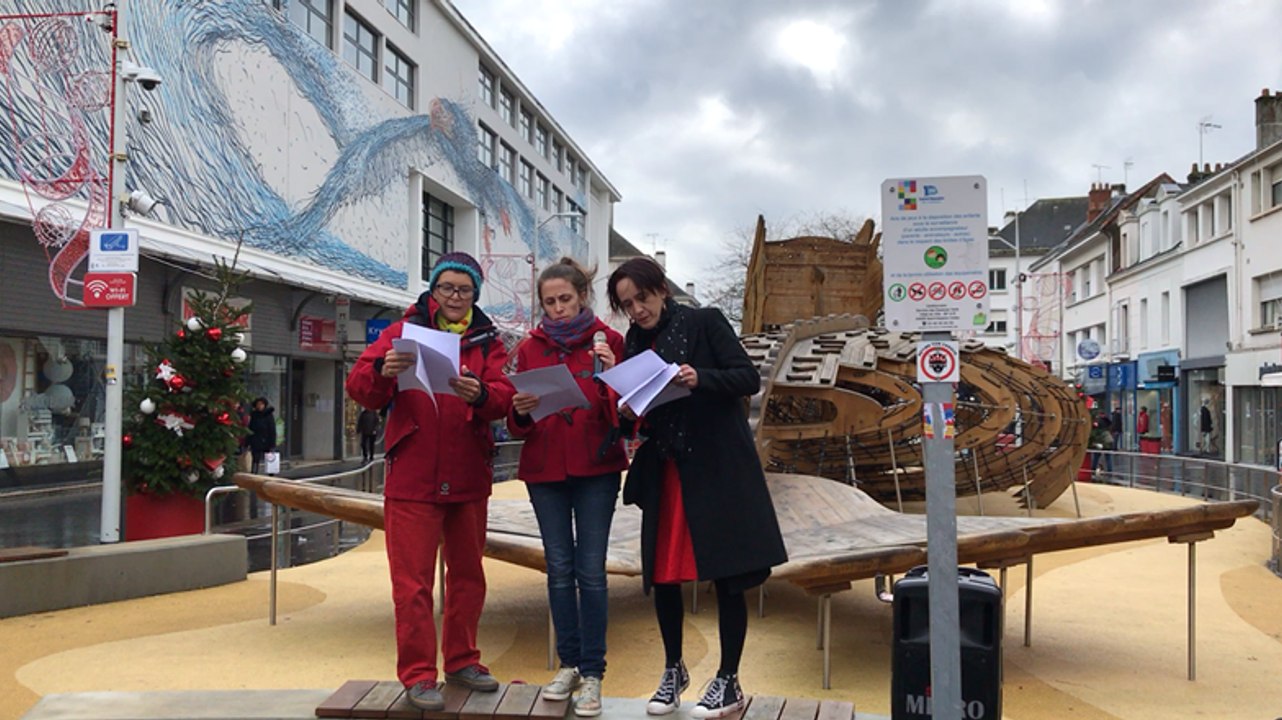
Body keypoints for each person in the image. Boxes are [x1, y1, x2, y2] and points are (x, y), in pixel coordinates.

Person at [606, 257, 787, 719]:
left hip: (718, 467)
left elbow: (747, 377)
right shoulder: (635, 340)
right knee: (664, 574)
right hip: (667, 466)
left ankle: (728, 679)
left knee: (729, 574)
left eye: (641, 299)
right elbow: (644, 401)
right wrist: (629, 411)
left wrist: (698, 377)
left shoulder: (705, 321)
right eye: (627, 305)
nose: (637, 311)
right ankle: (673, 669)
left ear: (661, 289)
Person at [345, 252, 515, 711]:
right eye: (447, 288)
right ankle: (419, 675)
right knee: (412, 584)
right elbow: (359, 385)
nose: (455, 297)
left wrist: (482, 394)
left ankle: (462, 659)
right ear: (433, 290)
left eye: (464, 290)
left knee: (467, 576)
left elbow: (504, 397)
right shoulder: (402, 334)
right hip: (414, 476)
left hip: (467, 474)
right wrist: (383, 373)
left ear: (475, 295)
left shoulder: (488, 342)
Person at [507, 258, 629, 717]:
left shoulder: (609, 342)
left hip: (596, 467)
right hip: (545, 470)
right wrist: (519, 409)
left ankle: (593, 672)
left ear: (582, 297)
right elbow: (515, 424)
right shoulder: (529, 348)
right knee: (558, 568)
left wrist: (611, 376)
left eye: (565, 299)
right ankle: (569, 663)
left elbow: (628, 414)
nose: (557, 309)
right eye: (550, 302)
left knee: (591, 571)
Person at [247, 397, 276, 475]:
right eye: (258, 404)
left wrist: (272, 444)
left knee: (269, 458)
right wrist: (248, 441)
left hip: (266, 439)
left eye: (261, 404)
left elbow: (272, 429)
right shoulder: (254, 415)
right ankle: (254, 472)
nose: (260, 406)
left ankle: (271, 473)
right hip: (256, 440)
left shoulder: (268, 415)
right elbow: (250, 428)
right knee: (255, 458)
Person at [1090, 410, 1113, 475]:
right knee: (1108, 457)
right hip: (1109, 441)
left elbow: (1095, 431)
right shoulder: (1107, 421)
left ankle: (1093, 469)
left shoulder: (1098, 422)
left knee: (1096, 456)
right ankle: (1110, 471)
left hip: (1101, 441)